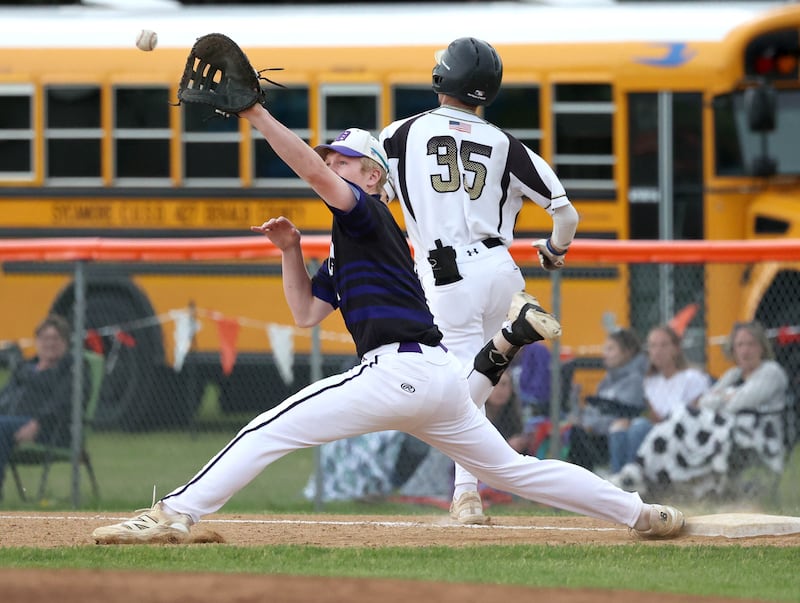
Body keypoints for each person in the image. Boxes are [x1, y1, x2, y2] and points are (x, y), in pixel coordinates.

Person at [91, 89, 683, 544]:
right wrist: (291, 253)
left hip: (395, 372)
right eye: (334, 161)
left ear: (374, 176)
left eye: (345, 162)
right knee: (515, 469)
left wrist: (256, 114)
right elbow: (304, 313)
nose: (332, 167)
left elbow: (311, 173)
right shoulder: (351, 239)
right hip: (438, 383)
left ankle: (172, 514)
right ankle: (641, 512)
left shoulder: (368, 215)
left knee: (267, 426)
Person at [380, 37, 579, 524]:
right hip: (501, 270)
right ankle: (468, 489)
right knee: (479, 384)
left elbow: (372, 192)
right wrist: (553, 252)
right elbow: (566, 215)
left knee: (457, 391)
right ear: (486, 91)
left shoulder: (401, 134)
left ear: (441, 78)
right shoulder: (507, 144)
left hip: (446, 274)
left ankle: (466, 494)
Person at [615, 321, 789, 500]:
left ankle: (636, 477)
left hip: (755, 435)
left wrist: (724, 397)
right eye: (740, 345)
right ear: (733, 349)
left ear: (761, 347)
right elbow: (705, 402)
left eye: (751, 344)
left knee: (681, 419)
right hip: (724, 428)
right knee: (677, 422)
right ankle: (641, 478)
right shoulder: (733, 375)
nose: (745, 350)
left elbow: (738, 403)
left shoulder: (771, 372)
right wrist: (727, 396)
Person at [0, 314, 87, 498]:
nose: (50, 343)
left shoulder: (71, 369)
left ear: (65, 342)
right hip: (8, 423)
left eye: (56, 338)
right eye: (45, 338)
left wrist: (37, 423)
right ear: (37, 341)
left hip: (47, 430)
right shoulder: (25, 368)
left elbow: (62, 403)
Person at [608, 325, 711, 478]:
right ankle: (618, 479)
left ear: (675, 349)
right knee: (620, 427)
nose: (657, 351)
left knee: (639, 428)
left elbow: (693, 414)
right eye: (653, 346)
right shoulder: (650, 382)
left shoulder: (693, 378)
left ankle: (629, 479)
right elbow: (652, 416)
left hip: (681, 435)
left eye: (663, 345)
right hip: (655, 431)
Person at [566, 328, 646, 473]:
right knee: (571, 429)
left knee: (577, 433)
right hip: (594, 433)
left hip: (611, 438)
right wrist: (575, 400)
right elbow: (595, 409)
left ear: (627, 352)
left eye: (611, 349)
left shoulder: (635, 380)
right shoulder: (607, 380)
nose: (605, 354)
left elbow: (623, 412)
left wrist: (590, 424)